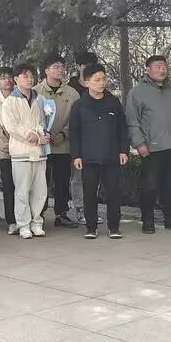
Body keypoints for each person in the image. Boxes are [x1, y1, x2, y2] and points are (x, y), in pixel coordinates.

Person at [126, 55, 171, 234]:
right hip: (151, 149)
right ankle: (148, 220)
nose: (162, 70)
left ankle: (170, 219)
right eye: (158, 66)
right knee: (150, 186)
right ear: (148, 70)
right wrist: (139, 144)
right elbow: (132, 122)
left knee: (170, 185)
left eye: (164, 66)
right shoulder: (137, 92)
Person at [69, 64, 128, 240]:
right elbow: (74, 132)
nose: (102, 83)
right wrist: (76, 155)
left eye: (103, 79)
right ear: (87, 82)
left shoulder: (113, 102)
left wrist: (123, 150)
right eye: (97, 80)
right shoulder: (79, 105)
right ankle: (91, 227)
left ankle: (114, 226)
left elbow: (122, 128)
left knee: (113, 193)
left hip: (111, 155)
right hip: (89, 157)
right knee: (89, 193)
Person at [2, 63, 49, 239]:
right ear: (16, 79)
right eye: (25, 76)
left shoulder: (40, 99)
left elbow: (45, 121)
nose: (29, 79)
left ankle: (37, 222)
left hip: (39, 151)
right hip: (21, 151)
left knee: (40, 190)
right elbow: (11, 126)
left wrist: (42, 134)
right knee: (22, 190)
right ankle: (23, 224)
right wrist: (31, 135)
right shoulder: (10, 101)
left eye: (31, 76)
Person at [35, 53, 80, 228]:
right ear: (46, 70)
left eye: (62, 67)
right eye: (55, 67)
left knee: (62, 181)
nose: (60, 70)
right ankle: (38, 215)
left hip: (63, 145)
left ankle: (62, 214)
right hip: (41, 146)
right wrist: (42, 134)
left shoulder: (72, 93)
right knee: (41, 182)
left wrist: (64, 134)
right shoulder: (35, 92)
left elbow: (76, 119)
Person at [67, 52, 99, 225]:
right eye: (85, 65)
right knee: (78, 177)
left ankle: (92, 210)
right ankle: (80, 210)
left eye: (92, 65)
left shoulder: (98, 86)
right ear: (78, 67)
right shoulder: (70, 89)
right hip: (76, 138)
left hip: (95, 139)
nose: (89, 68)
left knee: (94, 177)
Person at [0, 66, 18, 235]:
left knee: (24, 187)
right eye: (3, 78)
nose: (7, 80)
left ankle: (26, 218)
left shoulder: (21, 98)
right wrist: (8, 147)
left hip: (24, 150)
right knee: (9, 187)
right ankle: (12, 221)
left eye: (9, 77)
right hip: (6, 153)